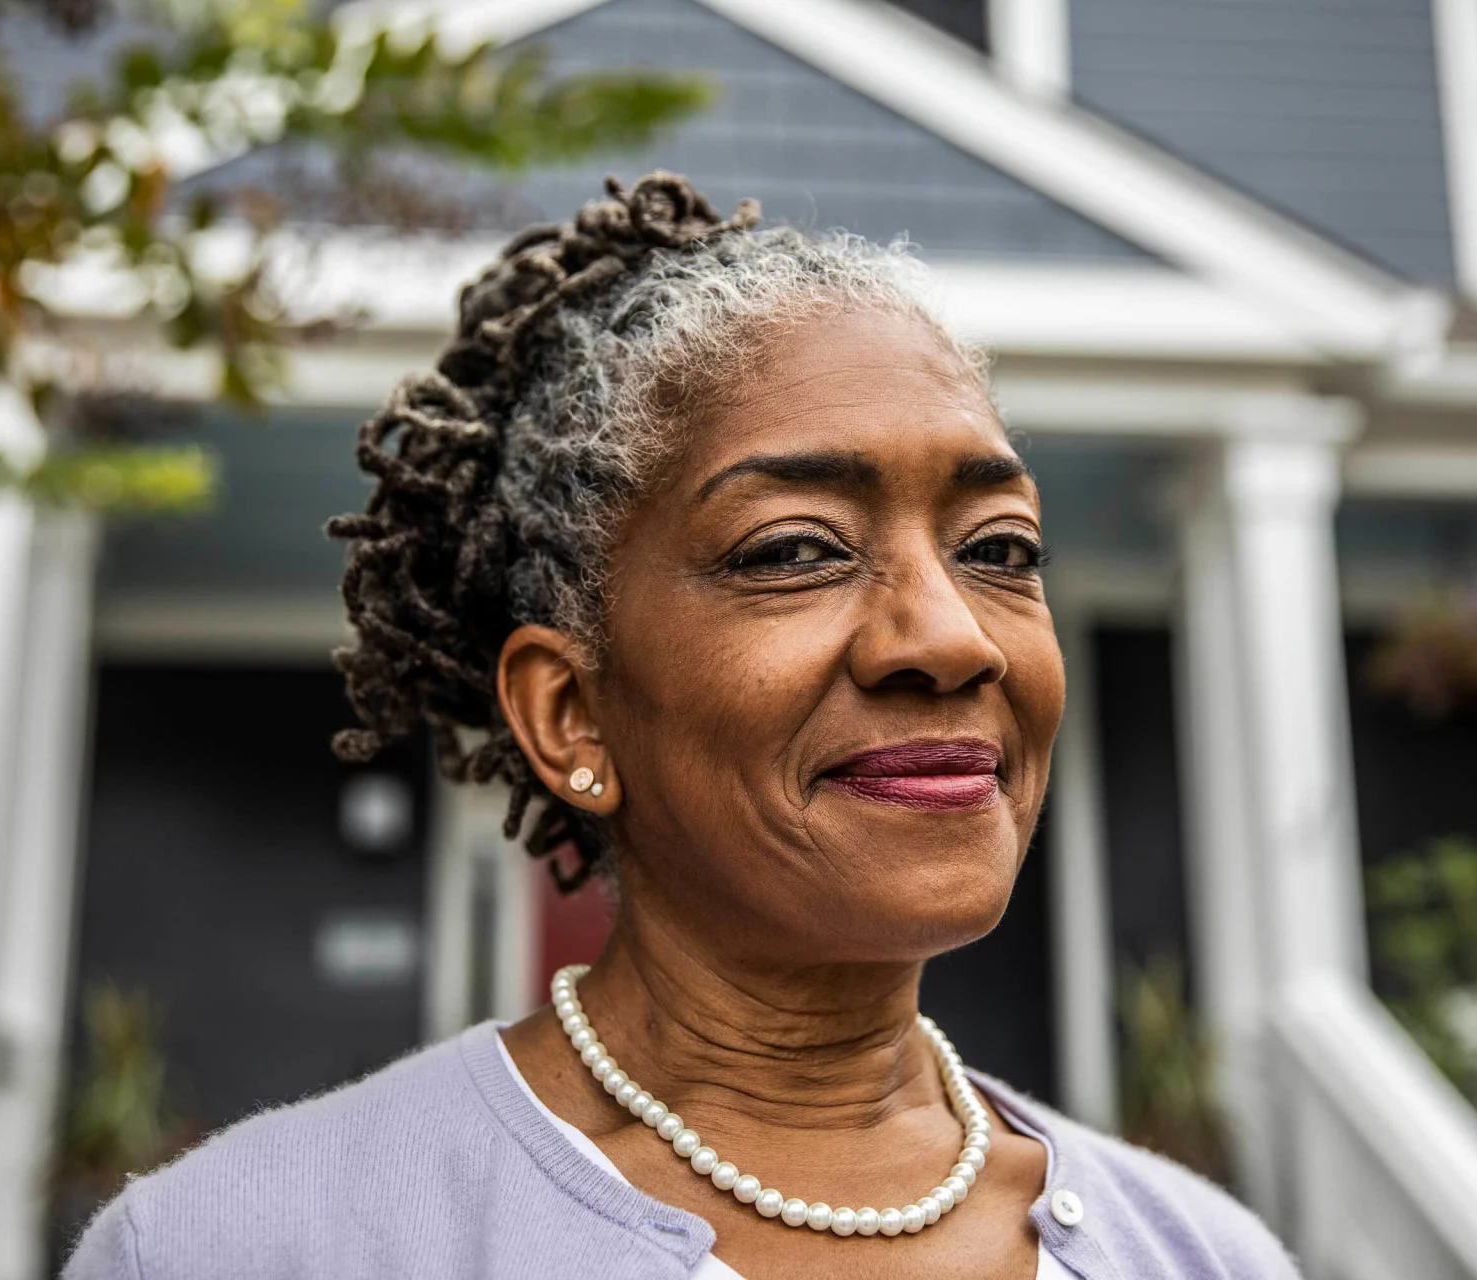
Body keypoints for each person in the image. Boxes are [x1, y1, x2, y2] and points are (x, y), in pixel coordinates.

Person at [64, 173, 1300, 1280]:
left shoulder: (1202, 1252)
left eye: (1001, 549)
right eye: (795, 549)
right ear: (571, 711)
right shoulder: (243, 1247)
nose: (953, 637)